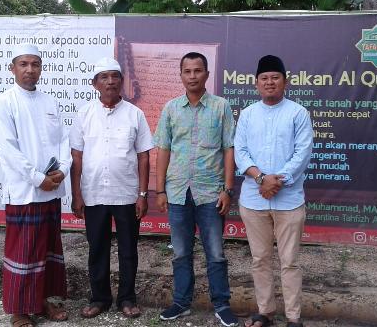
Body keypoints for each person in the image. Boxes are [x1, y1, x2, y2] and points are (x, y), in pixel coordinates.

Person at [154, 52, 239, 327]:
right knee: (180, 252)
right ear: (180, 75)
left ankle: (222, 304)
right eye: (187, 71)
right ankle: (181, 302)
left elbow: (228, 149)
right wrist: (160, 190)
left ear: (207, 74)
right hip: (178, 191)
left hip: (211, 192)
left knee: (215, 252)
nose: (192, 76)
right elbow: (163, 150)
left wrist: (227, 189)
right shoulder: (170, 109)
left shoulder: (220, 107)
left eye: (197, 70)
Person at [0, 43, 72, 327]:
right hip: (25, 192)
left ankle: (42, 301)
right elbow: (9, 150)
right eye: (23, 64)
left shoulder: (50, 102)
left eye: (35, 64)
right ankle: (20, 310)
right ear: (12, 68)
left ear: (41, 68)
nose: (30, 69)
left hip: (51, 190)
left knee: (48, 248)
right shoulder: (4, 103)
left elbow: (63, 141)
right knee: (23, 252)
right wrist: (39, 179)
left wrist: (62, 169)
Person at [69, 57, 153, 319]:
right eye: (103, 77)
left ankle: (127, 299)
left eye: (115, 76)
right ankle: (100, 298)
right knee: (97, 249)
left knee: (128, 248)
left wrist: (142, 194)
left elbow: (143, 157)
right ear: (95, 84)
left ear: (122, 81)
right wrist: (77, 194)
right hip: (93, 193)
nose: (110, 81)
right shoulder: (84, 114)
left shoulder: (134, 114)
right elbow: (77, 157)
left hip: (126, 193)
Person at [234, 55, 313, 327]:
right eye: (264, 78)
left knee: (289, 262)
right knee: (260, 259)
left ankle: (293, 318)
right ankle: (265, 313)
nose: (269, 82)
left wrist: (277, 180)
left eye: (275, 77)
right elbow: (240, 152)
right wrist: (261, 179)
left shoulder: (298, 113)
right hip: (254, 201)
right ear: (256, 83)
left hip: (289, 200)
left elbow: (302, 153)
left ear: (285, 82)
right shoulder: (247, 114)